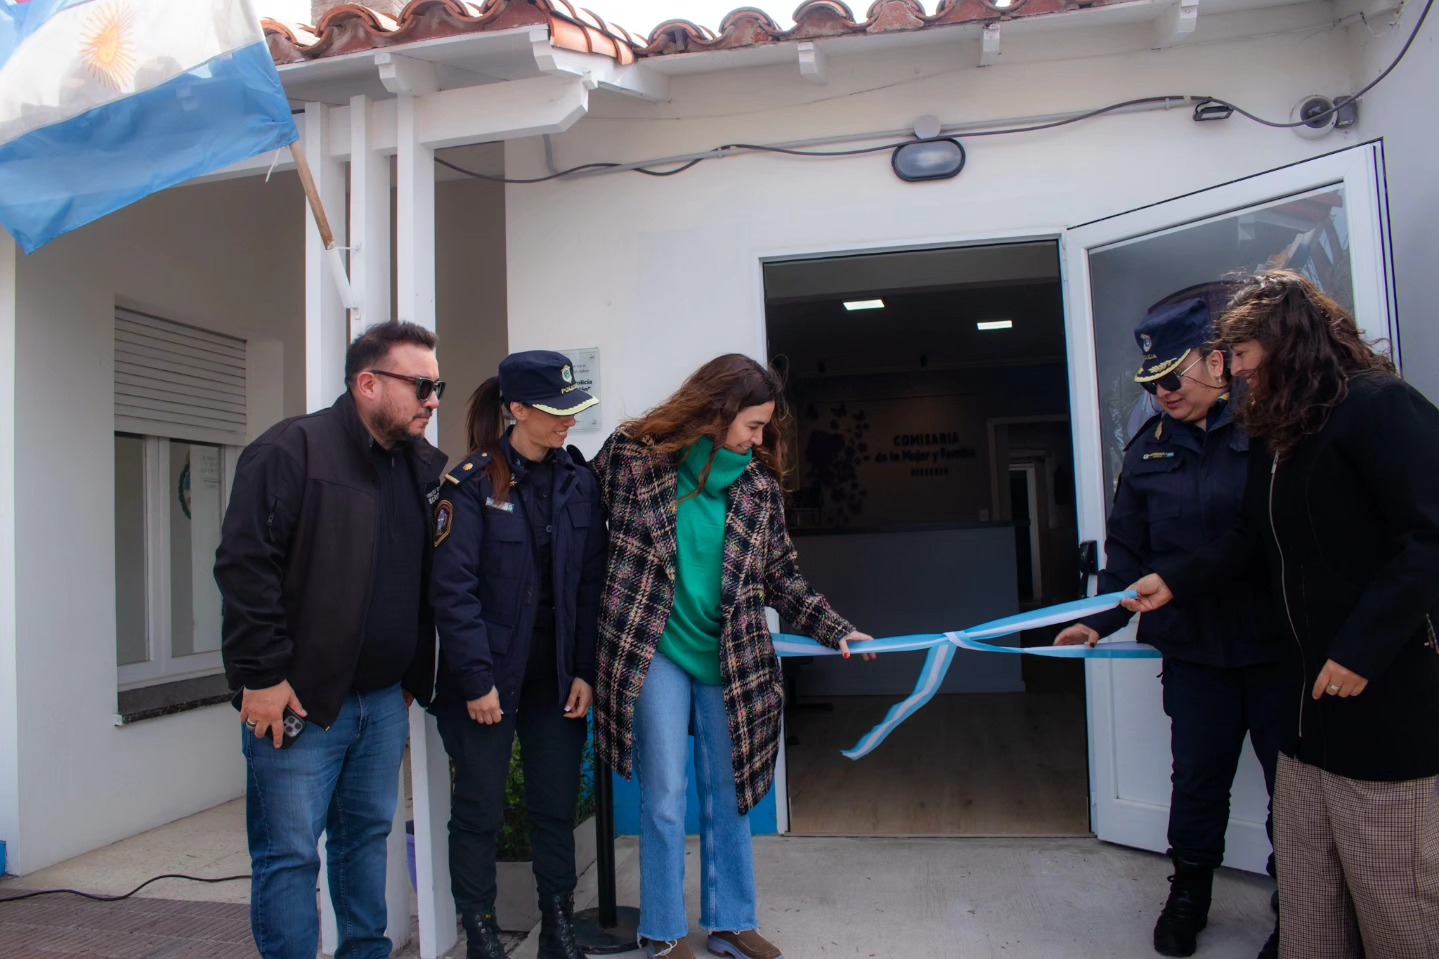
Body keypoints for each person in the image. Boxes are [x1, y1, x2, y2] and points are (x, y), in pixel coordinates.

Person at [1124, 270, 1439, 959]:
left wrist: (1361, 649)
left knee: (1394, 892)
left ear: (1285, 341)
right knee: (1309, 882)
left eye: (1241, 353)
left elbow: (1428, 538)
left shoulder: (1380, 405)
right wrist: (1173, 581)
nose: (1234, 370)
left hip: (1374, 696)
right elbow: (1248, 536)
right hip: (1301, 698)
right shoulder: (1276, 433)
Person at [592, 353, 873, 959]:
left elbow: (782, 578)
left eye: (764, 427)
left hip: (731, 658)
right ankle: (663, 932)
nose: (760, 439)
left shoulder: (757, 490)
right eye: (752, 425)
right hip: (654, 650)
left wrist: (837, 629)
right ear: (716, 412)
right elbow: (579, 527)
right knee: (664, 796)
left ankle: (730, 922)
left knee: (732, 791)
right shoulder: (632, 461)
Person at [1055, 298, 1283, 958]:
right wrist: (1096, 621)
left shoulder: (1269, 432)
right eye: (1151, 384)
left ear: (1217, 362)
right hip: (1194, 649)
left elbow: (1274, 536)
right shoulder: (1146, 452)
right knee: (1198, 782)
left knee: (1292, 790)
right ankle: (1188, 895)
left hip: (1276, 648)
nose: (1163, 393)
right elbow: (1127, 554)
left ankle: (1298, 899)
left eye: (1172, 378)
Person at [215, 321, 448, 959]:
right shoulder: (291, 452)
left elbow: (418, 581)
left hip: (382, 702)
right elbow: (244, 568)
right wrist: (262, 677)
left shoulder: (422, 468)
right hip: (298, 702)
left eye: (438, 387)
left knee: (366, 841)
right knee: (290, 855)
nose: (433, 400)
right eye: (421, 386)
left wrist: (409, 676)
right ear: (368, 384)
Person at [430, 351, 608, 959]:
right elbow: (452, 593)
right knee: (477, 810)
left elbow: (590, 586)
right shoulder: (472, 484)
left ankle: (559, 929)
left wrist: (584, 670)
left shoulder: (579, 482)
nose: (568, 422)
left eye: (573, 410)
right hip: (486, 680)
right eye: (557, 411)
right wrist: (476, 681)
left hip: (555, 678)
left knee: (554, 808)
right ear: (518, 410)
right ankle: (482, 936)